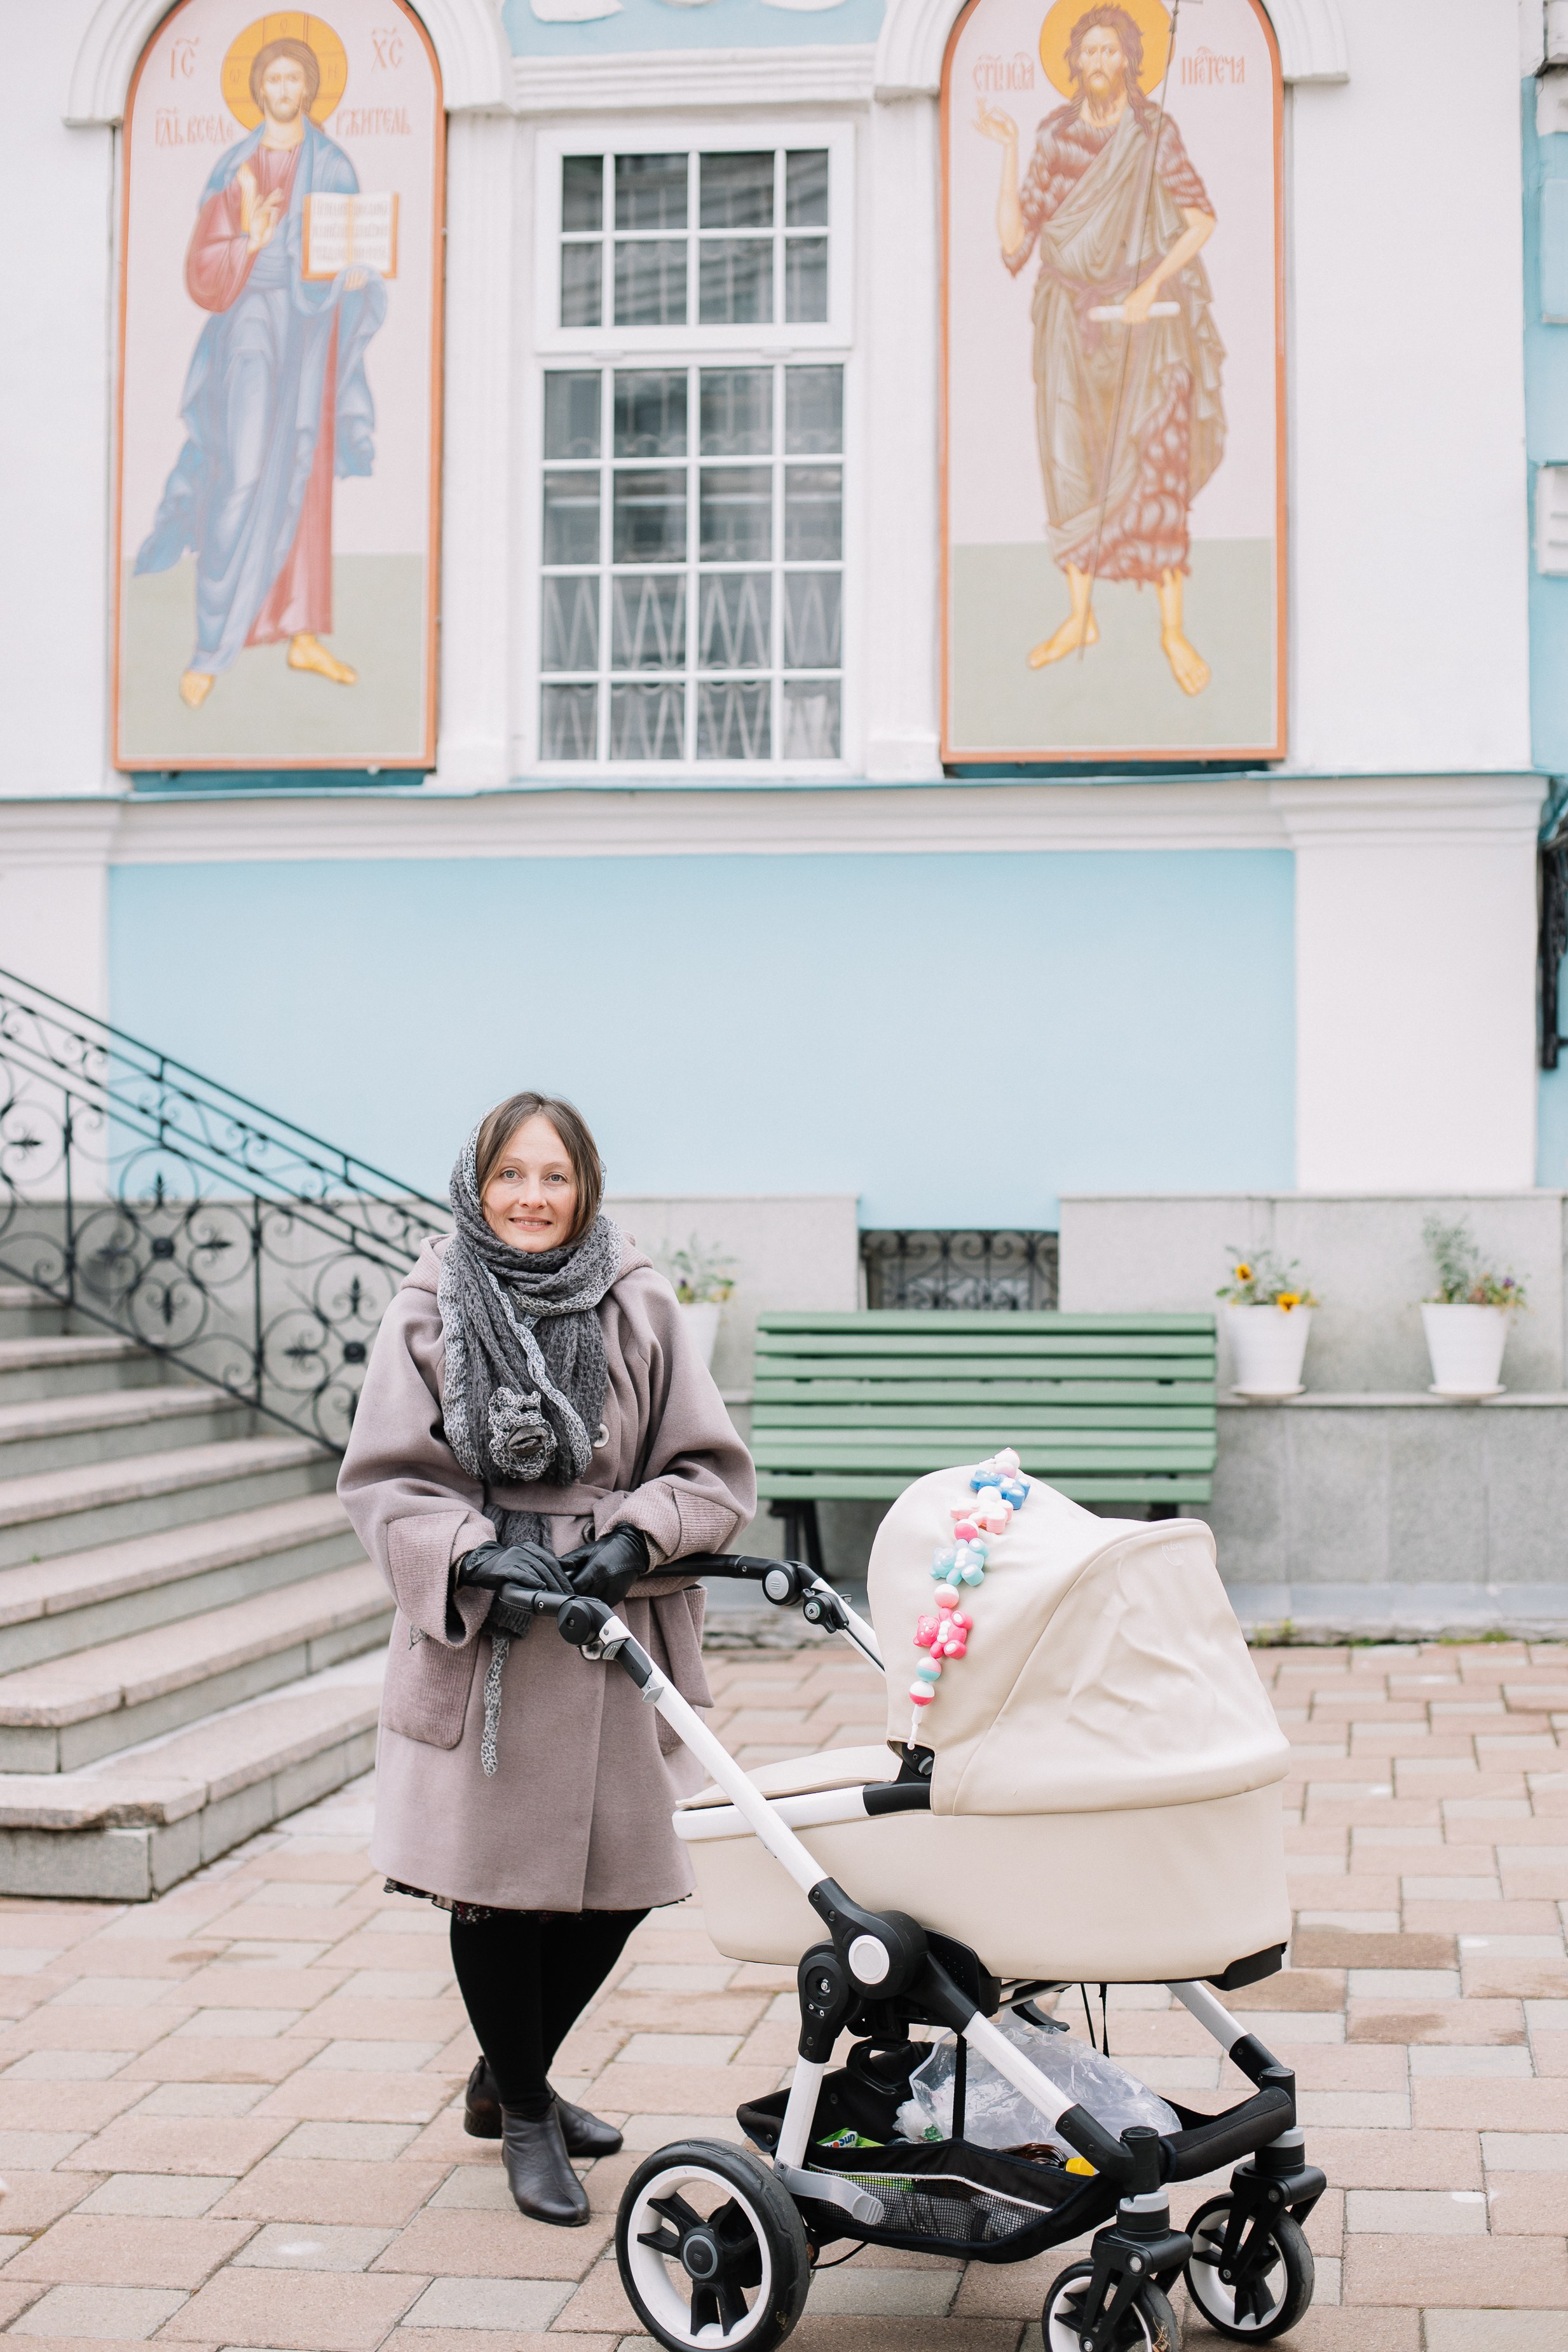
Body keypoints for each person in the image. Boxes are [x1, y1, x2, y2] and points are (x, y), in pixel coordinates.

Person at [338, 1093, 755, 2225]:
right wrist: (472, 1555)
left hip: (608, 1630)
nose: (531, 1198)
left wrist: (636, 1536)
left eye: (553, 1177)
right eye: (509, 1176)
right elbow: (384, 1480)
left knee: (626, 1880)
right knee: (491, 1891)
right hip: (489, 1637)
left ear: (586, 1188)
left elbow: (710, 1470)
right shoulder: (428, 1305)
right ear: (477, 1187)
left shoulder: (638, 1297)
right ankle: (526, 2112)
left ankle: (502, 2075)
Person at [976, 3, 1224, 694]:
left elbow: (1200, 221)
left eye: (1110, 51)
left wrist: (1152, 284)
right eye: (1088, 51)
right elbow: (1015, 240)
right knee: (1069, 464)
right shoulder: (1055, 137)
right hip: (1068, 320)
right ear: (1073, 62)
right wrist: (1007, 150)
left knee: (1156, 466)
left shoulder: (1153, 132)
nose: (1098, 62)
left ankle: (1171, 630)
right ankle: (1080, 617)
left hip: (1146, 323)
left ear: (1130, 61)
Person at [135, 36, 386, 708]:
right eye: (273, 79)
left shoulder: (332, 164)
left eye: (293, 79)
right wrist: (254, 240)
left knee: (303, 467)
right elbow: (204, 264)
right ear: (258, 90)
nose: (283, 90)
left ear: (308, 89)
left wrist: (354, 276)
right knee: (242, 472)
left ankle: (301, 631)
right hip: (249, 322)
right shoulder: (235, 167)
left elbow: (351, 244)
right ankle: (211, 646)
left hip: (311, 324)